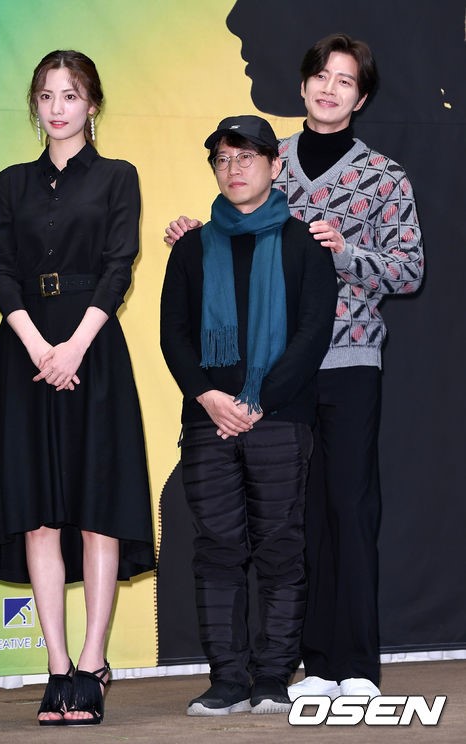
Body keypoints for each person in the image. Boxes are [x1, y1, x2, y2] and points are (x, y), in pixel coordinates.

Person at [164, 34, 424, 700]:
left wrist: (348, 253)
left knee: (349, 508)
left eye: (345, 81)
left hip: (347, 359)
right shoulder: (266, 156)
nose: (330, 89)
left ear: (361, 98)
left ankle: (355, 666)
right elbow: (234, 234)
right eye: (321, 77)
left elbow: (409, 270)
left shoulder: (384, 175)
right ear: (304, 85)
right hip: (273, 373)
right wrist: (197, 238)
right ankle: (312, 663)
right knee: (294, 521)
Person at [0, 50, 155, 726]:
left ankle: (92, 663)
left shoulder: (117, 177)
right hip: (25, 353)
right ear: (35, 104)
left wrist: (74, 346)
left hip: (92, 349)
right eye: (46, 95)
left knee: (98, 509)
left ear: (91, 104)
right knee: (39, 515)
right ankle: (55, 667)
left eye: (70, 95)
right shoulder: (11, 182)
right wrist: (38, 346)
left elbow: (119, 265)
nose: (57, 107)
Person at [161, 115, 337, 715]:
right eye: (223, 159)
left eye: (246, 157)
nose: (233, 169)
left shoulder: (305, 245)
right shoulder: (191, 247)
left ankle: (272, 678)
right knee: (216, 549)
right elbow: (174, 335)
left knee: (281, 549)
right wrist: (209, 396)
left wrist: (258, 401)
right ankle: (228, 680)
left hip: (280, 419)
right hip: (207, 420)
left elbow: (312, 335)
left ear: (274, 165)